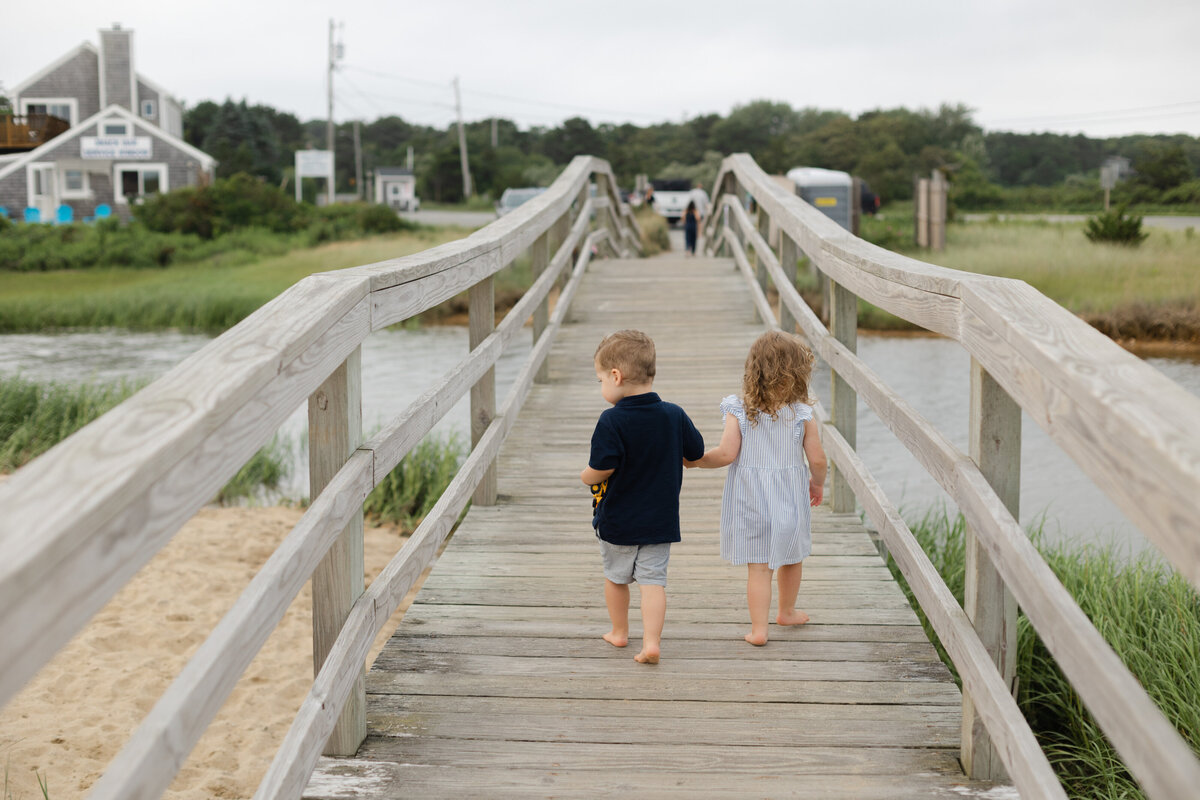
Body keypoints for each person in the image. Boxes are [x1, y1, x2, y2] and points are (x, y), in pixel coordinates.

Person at [686, 331, 828, 646]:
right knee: (792, 557)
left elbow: (726, 454)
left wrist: (696, 462)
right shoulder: (802, 415)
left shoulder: (738, 410)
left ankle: (759, 630)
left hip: (750, 500)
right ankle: (787, 611)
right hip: (789, 499)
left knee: (760, 568)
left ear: (753, 371)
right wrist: (817, 484)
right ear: (797, 375)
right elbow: (818, 459)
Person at [581, 330, 705, 664]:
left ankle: (619, 632)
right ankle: (651, 643)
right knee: (653, 583)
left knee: (616, 578)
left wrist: (585, 476)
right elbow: (695, 453)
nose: (602, 386)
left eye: (600, 380)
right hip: (660, 522)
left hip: (618, 520)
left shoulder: (611, 421)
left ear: (616, 376)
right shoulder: (674, 414)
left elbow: (602, 467)